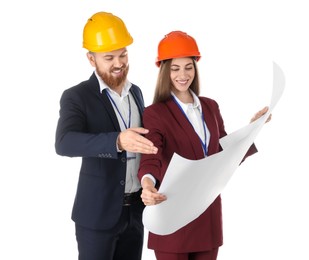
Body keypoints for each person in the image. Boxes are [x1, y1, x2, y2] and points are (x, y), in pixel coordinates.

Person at [137, 31, 271, 260]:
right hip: (173, 216)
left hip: (207, 217)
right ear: (164, 71)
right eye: (175, 68)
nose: (183, 74)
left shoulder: (210, 107)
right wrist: (147, 186)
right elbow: (151, 157)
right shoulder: (155, 113)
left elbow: (224, 156)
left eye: (188, 67)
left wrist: (253, 128)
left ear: (195, 68)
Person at [55, 11, 158, 260]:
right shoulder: (77, 96)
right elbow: (64, 142)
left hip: (136, 211)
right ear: (91, 59)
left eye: (123, 54)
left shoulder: (137, 93)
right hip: (97, 214)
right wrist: (117, 141)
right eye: (108, 57)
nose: (119, 63)